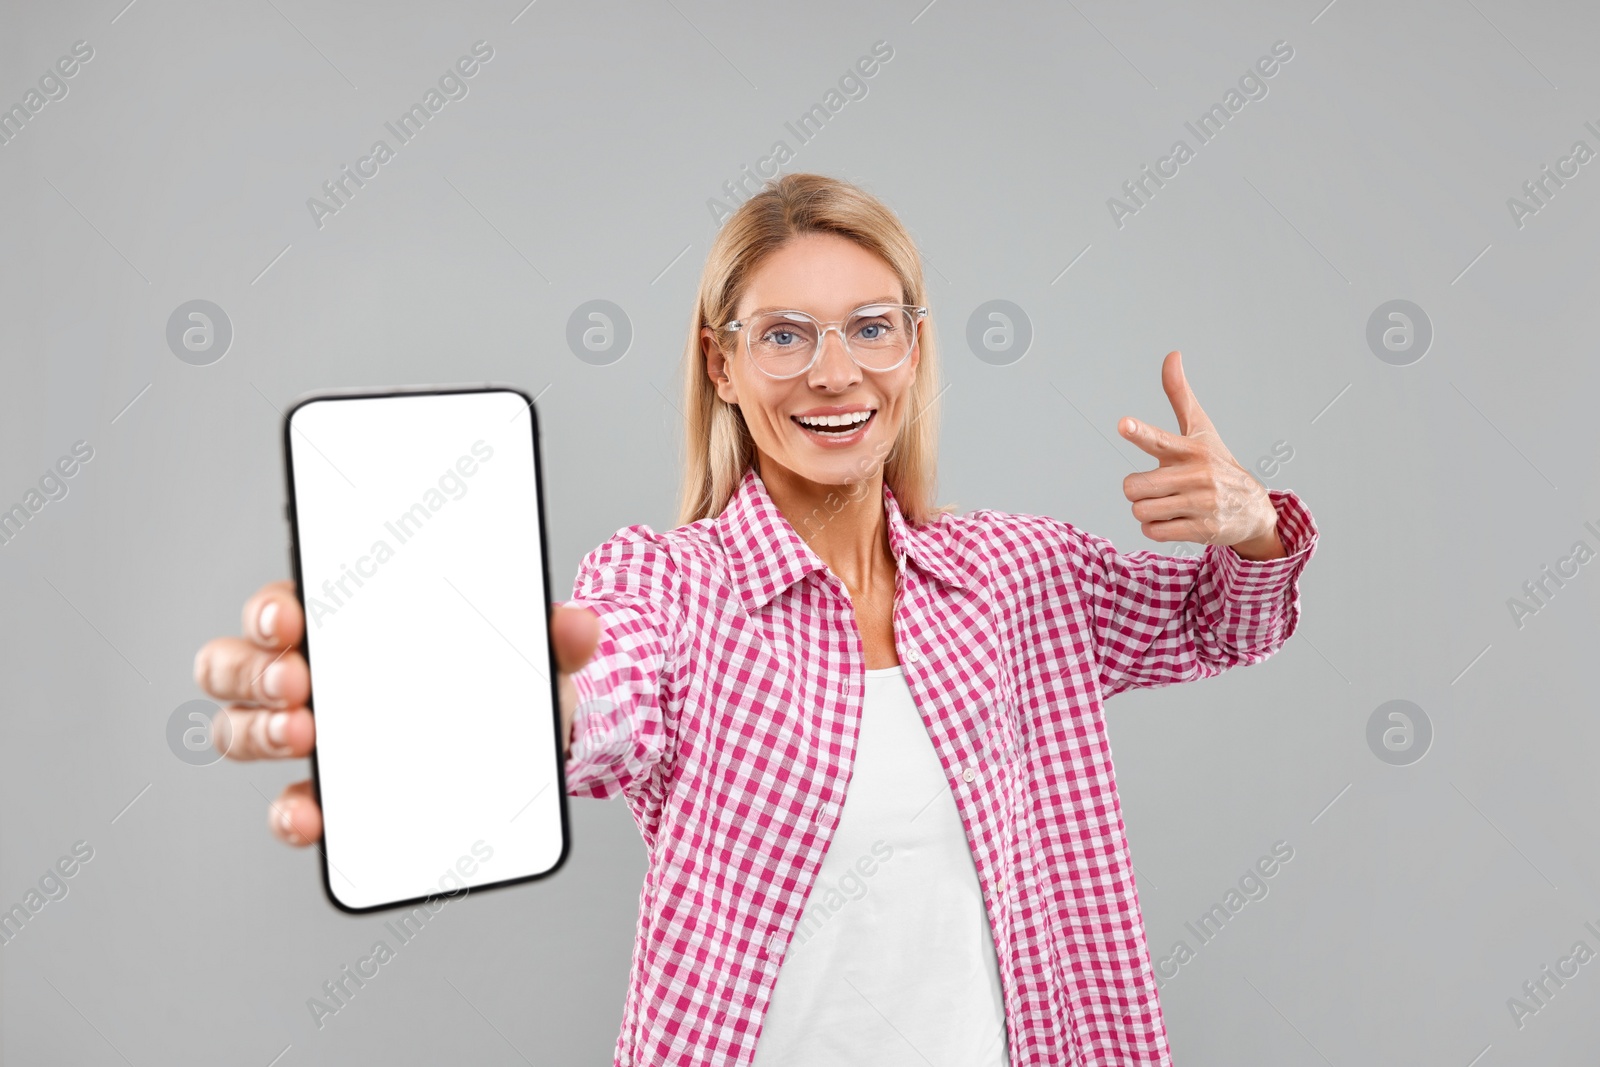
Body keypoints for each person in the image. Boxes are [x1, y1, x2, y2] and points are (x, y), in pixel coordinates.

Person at [192, 173, 1318, 1066]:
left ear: (912, 353)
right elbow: (604, 691)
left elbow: (1225, 624)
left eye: (871, 327)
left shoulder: (1015, 576)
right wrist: (481, 700)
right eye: (783, 335)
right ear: (721, 364)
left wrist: (1252, 522)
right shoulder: (669, 586)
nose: (834, 372)